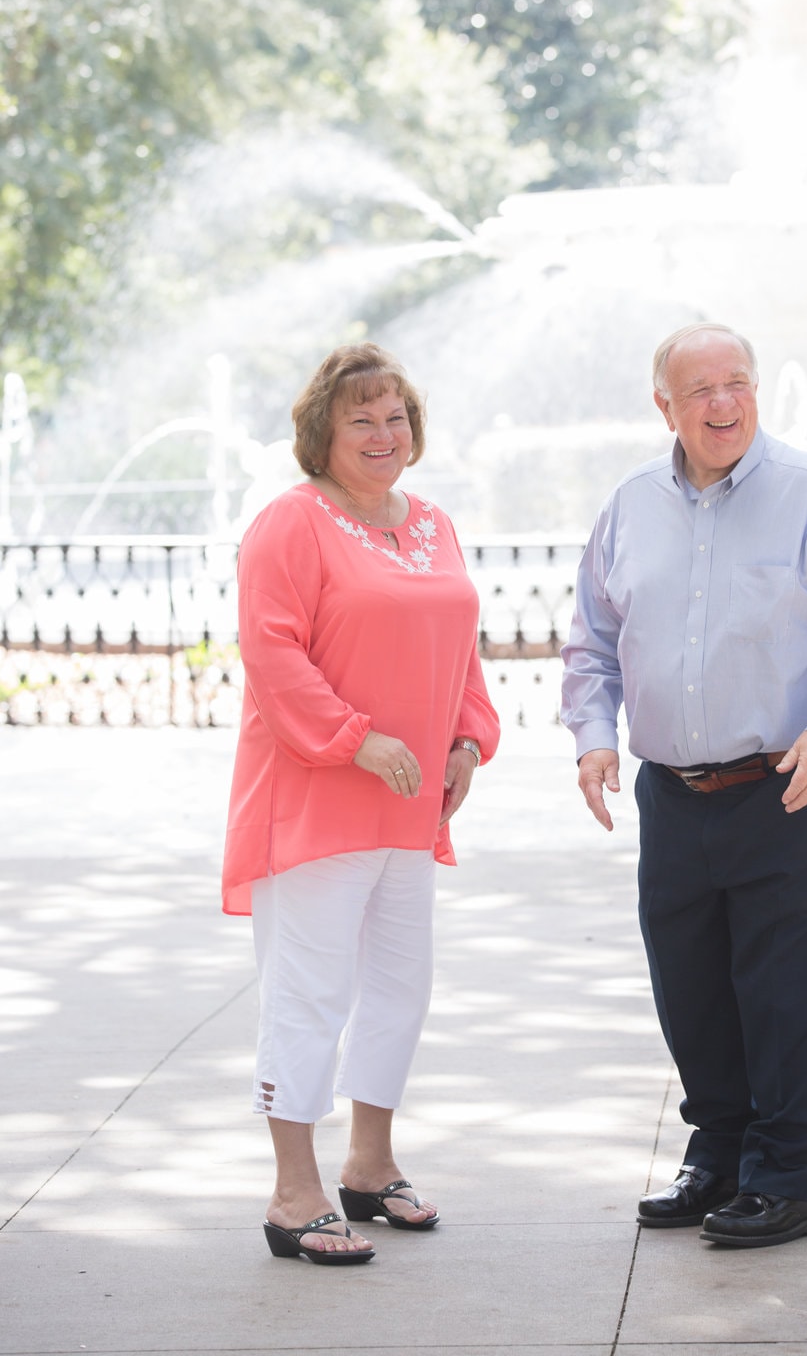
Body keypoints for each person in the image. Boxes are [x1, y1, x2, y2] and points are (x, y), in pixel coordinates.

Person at [560, 323, 807, 1249]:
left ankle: (790, 1176)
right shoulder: (631, 504)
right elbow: (594, 640)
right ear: (664, 406)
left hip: (795, 785)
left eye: (738, 383)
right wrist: (594, 739)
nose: (724, 404)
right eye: (702, 390)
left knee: (789, 990)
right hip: (673, 793)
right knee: (691, 986)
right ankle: (718, 1155)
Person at [223, 342, 500, 1265]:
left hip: (410, 809)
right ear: (322, 433)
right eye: (362, 420)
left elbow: (461, 646)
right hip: (315, 802)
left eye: (396, 418)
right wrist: (357, 739)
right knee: (308, 996)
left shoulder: (433, 523)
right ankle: (292, 1194)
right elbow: (272, 656)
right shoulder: (288, 525)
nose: (384, 434)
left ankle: (369, 1167)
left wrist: (467, 739)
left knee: (398, 990)